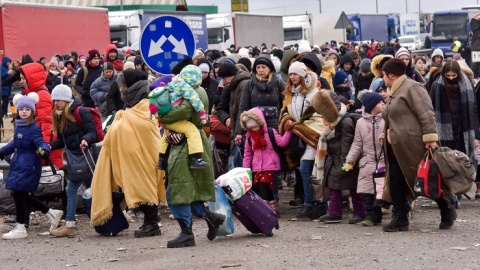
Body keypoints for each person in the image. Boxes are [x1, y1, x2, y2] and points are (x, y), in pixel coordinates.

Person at [380, 58, 456, 232]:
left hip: (414, 144)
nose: (382, 78)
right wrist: (385, 133)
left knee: (426, 179)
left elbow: (426, 113)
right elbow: (392, 116)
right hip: (396, 146)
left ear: (391, 75)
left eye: (384, 74)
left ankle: (446, 208)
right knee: (396, 181)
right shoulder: (394, 90)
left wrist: (430, 138)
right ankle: (400, 217)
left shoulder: (412, 88)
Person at [90, 69, 165, 238]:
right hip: (135, 157)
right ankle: (150, 221)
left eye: (123, 85)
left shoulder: (144, 106)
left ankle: (152, 224)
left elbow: (143, 129)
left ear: (133, 87)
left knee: (145, 186)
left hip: (146, 156)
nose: (122, 89)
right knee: (140, 185)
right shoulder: (133, 106)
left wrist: (118, 125)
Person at [158, 66, 225, 248]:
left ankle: (187, 233)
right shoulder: (197, 90)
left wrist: (161, 116)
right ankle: (211, 218)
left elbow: (177, 113)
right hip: (189, 141)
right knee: (189, 188)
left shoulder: (191, 93)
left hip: (185, 145)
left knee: (177, 188)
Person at [0, 94, 63, 239]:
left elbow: (40, 141)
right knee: (19, 194)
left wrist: (44, 150)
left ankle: (21, 226)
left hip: (29, 164)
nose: (23, 111)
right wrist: (2, 152)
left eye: (27, 109)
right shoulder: (19, 126)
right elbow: (15, 144)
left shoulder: (33, 127)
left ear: (32, 111)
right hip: (19, 163)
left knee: (19, 193)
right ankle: (50, 213)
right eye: (21, 108)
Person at [279, 61, 327, 219]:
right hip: (301, 136)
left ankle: (312, 204)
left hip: (314, 134)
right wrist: (288, 120)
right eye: (291, 74)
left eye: (296, 74)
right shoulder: (294, 93)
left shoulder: (314, 92)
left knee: (307, 169)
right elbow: (290, 112)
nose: (292, 77)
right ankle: (316, 205)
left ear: (302, 75)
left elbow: (319, 116)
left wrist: (300, 125)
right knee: (310, 171)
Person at [48, 85, 98, 237]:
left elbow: (93, 133)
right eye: (54, 100)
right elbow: (63, 141)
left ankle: (70, 224)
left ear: (66, 100)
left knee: (74, 189)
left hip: (86, 156)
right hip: (76, 158)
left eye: (59, 100)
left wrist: (85, 140)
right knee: (93, 189)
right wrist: (50, 145)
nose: (56, 103)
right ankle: (113, 216)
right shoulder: (60, 115)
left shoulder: (80, 112)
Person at [311, 90, 365, 224]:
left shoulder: (345, 122)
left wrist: (345, 163)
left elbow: (347, 145)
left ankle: (360, 212)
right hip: (334, 158)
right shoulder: (333, 121)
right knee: (333, 186)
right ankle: (334, 212)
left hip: (345, 160)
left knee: (353, 187)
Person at [152, 65, 210, 170]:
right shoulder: (189, 89)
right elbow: (184, 112)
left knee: (165, 136)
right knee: (192, 131)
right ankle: (195, 158)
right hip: (182, 130)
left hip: (170, 121)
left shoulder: (173, 85)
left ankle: (161, 159)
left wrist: (162, 119)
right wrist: (202, 115)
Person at [429, 60, 478, 170]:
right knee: (448, 167)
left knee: (465, 164)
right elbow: (430, 110)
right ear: (444, 74)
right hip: (444, 135)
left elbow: (474, 110)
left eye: (454, 75)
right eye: (448, 75)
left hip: (463, 131)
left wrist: (476, 135)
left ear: (458, 73)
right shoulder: (436, 86)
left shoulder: (467, 83)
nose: (451, 78)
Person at [346, 92, 385, 226]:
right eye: (380, 103)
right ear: (372, 106)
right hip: (367, 161)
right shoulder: (361, 122)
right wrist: (350, 159)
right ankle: (371, 216)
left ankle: (397, 211)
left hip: (383, 161)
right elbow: (357, 143)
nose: (383, 104)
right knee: (367, 192)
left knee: (383, 191)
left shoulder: (386, 119)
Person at [241, 107, 292, 212]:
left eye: (255, 126)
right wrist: (245, 169)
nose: (254, 129)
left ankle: (263, 210)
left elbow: (282, 142)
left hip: (270, 165)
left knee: (264, 185)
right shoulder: (249, 137)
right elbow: (248, 154)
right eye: (251, 127)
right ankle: (272, 208)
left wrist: (288, 131)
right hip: (257, 167)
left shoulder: (270, 132)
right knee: (263, 187)